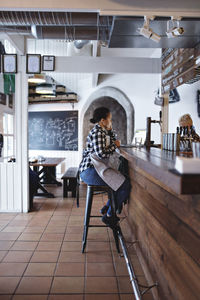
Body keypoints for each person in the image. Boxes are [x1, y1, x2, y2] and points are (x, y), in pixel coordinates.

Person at [79, 107, 131, 227]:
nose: (110, 121)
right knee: (124, 184)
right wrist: (114, 145)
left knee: (120, 182)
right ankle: (109, 215)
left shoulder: (103, 131)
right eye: (109, 119)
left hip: (96, 169)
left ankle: (107, 208)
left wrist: (111, 132)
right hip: (90, 170)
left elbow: (113, 141)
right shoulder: (97, 132)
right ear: (103, 120)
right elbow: (101, 153)